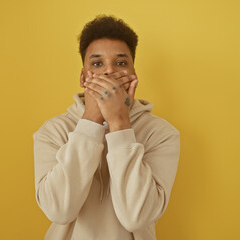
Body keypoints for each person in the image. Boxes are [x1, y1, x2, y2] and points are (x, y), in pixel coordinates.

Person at [33, 15, 180, 240]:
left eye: (120, 63)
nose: (109, 72)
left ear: (133, 76)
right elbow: (59, 210)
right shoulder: (52, 131)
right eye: (97, 63)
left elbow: (136, 217)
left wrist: (120, 123)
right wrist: (91, 119)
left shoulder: (161, 134)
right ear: (83, 78)